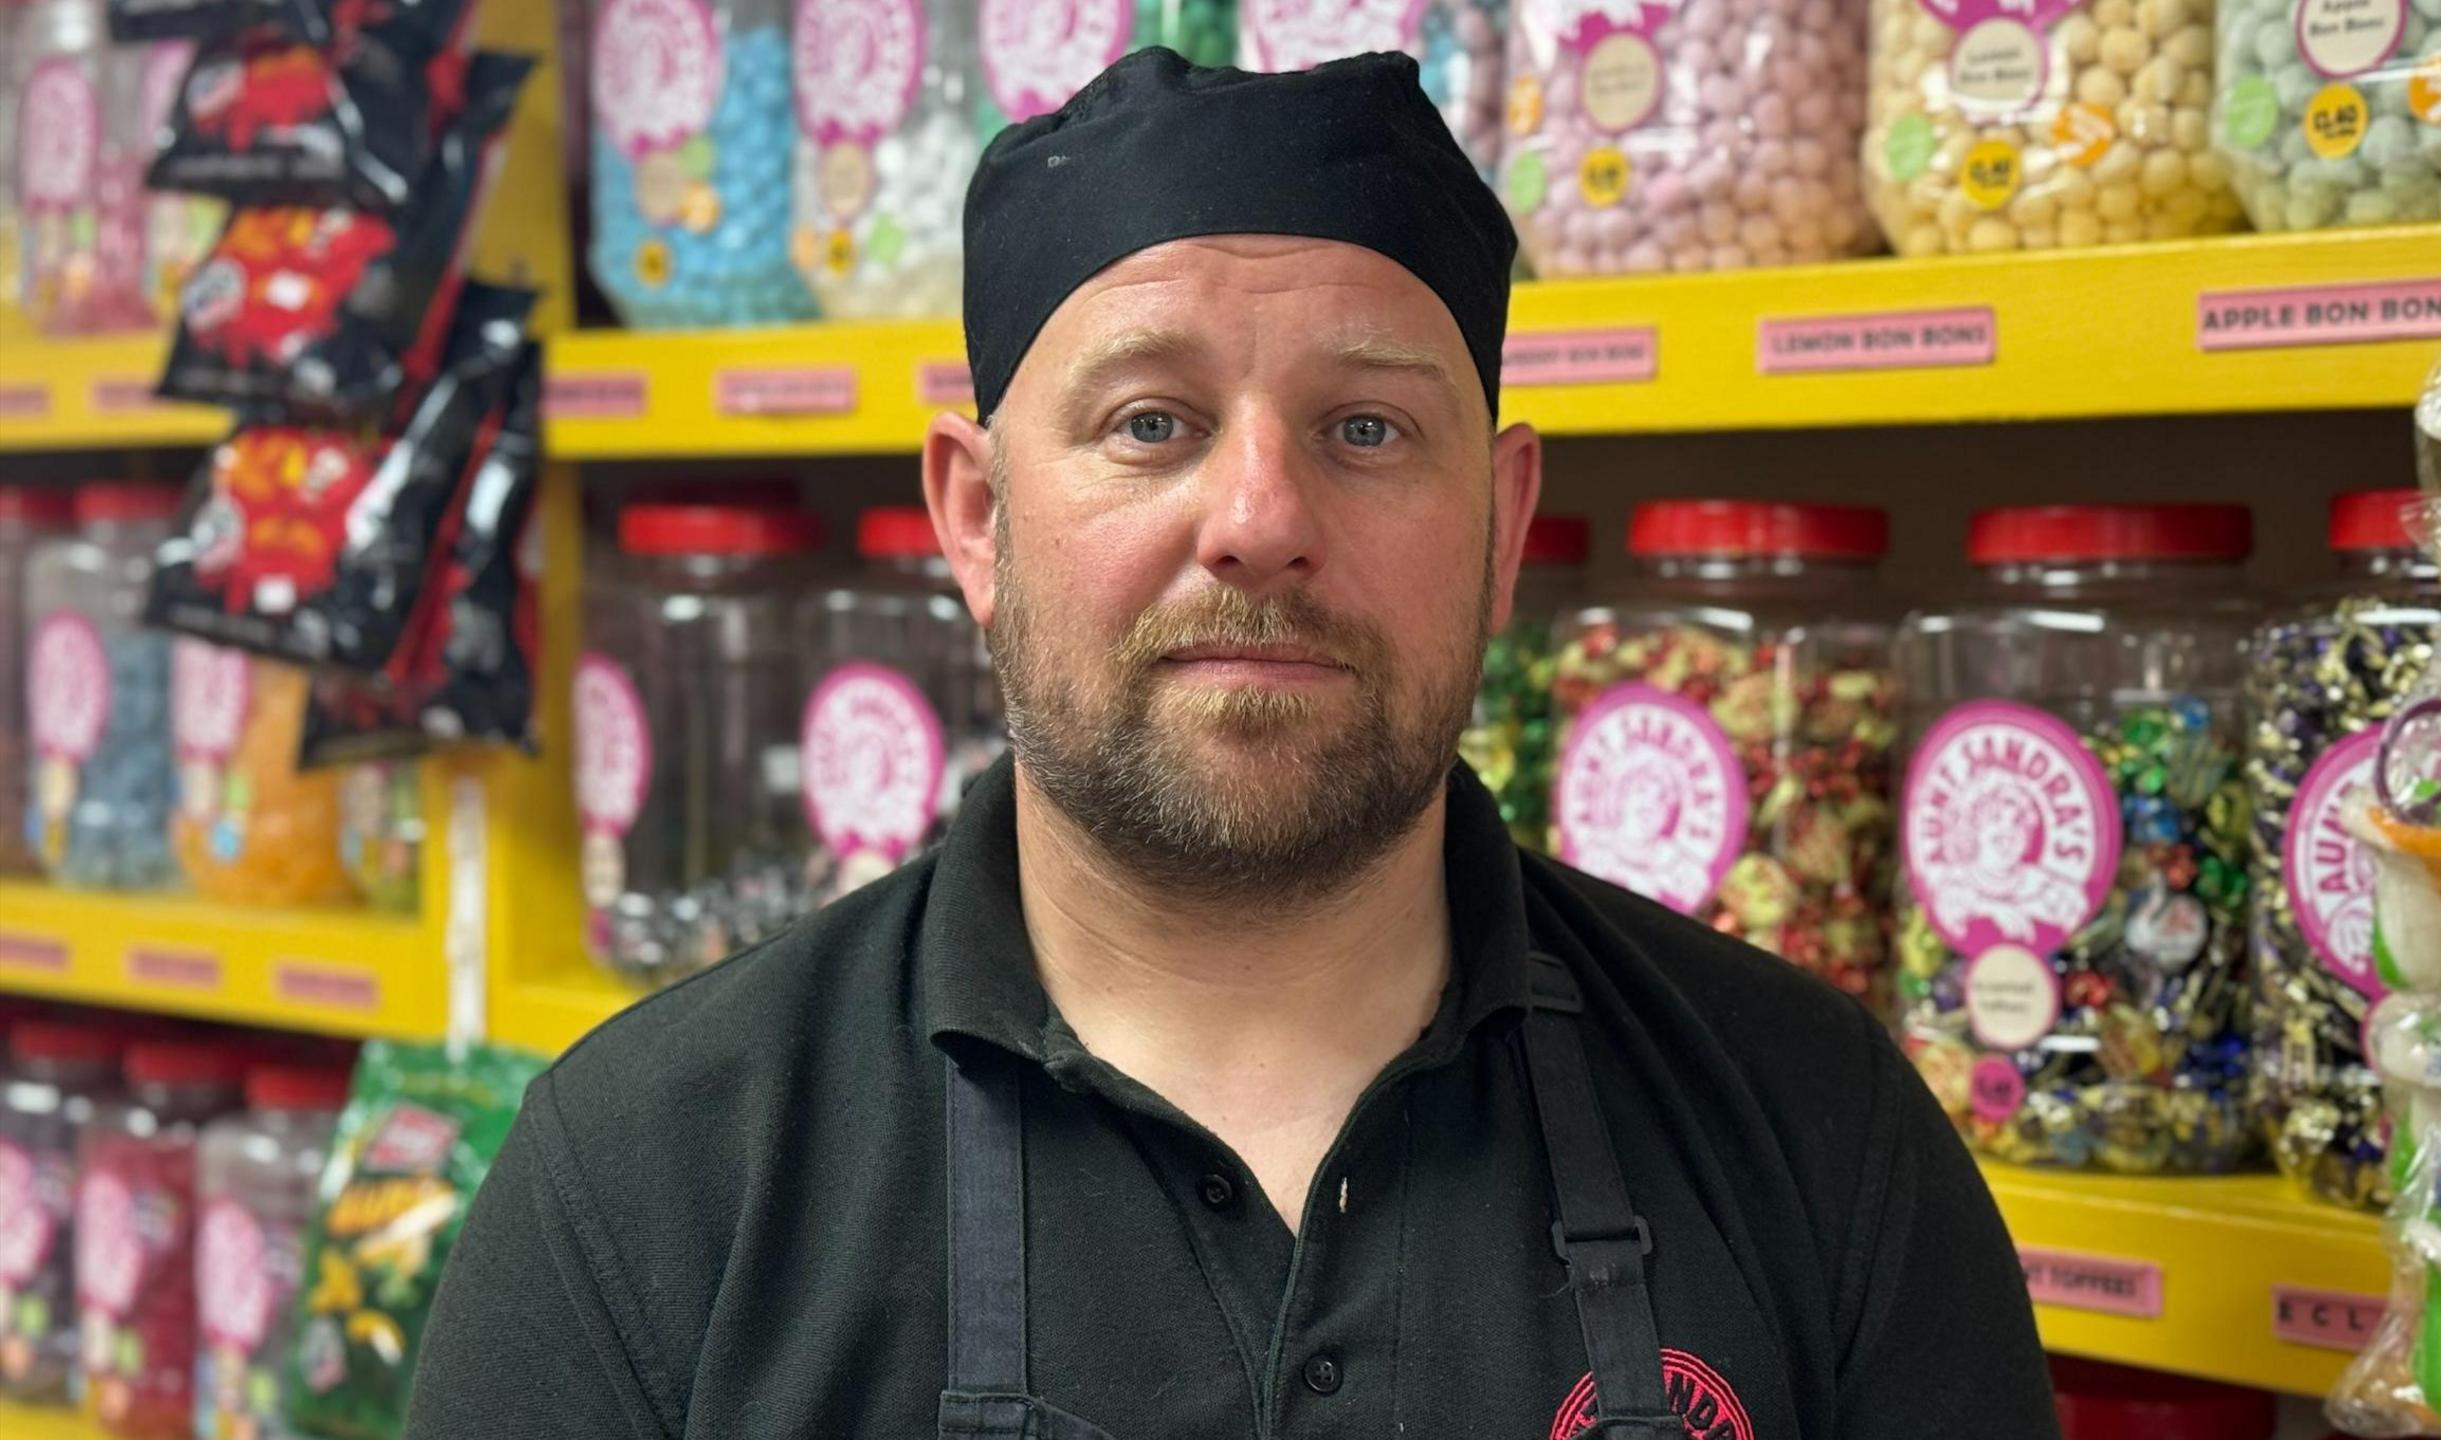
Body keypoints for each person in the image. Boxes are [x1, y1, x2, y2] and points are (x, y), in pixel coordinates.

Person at [407, 50, 2058, 1439]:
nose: (1260, 522)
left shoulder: (1821, 1139)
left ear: (1502, 525)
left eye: (1367, 429)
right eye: (1151, 424)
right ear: (975, 518)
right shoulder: (641, 1192)